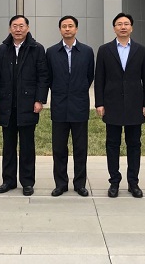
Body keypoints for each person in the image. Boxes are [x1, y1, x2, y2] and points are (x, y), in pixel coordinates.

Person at [94, 13, 145, 198]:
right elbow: (99, 78)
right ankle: (114, 182)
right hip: (112, 104)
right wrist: (99, 103)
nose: (123, 27)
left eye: (126, 24)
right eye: (119, 24)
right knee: (112, 144)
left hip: (135, 104)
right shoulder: (105, 50)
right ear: (114, 28)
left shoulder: (141, 50)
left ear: (131, 28)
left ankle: (133, 182)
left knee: (134, 144)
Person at [0, 15, 48, 196]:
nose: (18, 29)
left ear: (28, 28)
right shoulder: (2, 49)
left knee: (27, 146)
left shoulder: (37, 49)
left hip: (28, 104)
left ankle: (27, 182)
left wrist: (39, 100)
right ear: (10, 28)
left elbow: (43, 76)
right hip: (7, 105)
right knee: (8, 145)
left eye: (21, 26)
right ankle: (8, 181)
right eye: (14, 26)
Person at [46, 15, 95, 197]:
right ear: (60, 29)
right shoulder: (51, 52)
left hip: (79, 105)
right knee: (59, 148)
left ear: (76, 29)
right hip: (59, 106)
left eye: (71, 26)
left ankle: (80, 184)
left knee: (80, 148)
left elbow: (89, 76)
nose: (67, 29)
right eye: (64, 26)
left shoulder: (87, 51)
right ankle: (61, 183)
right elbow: (49, 77)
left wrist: (78, 90)